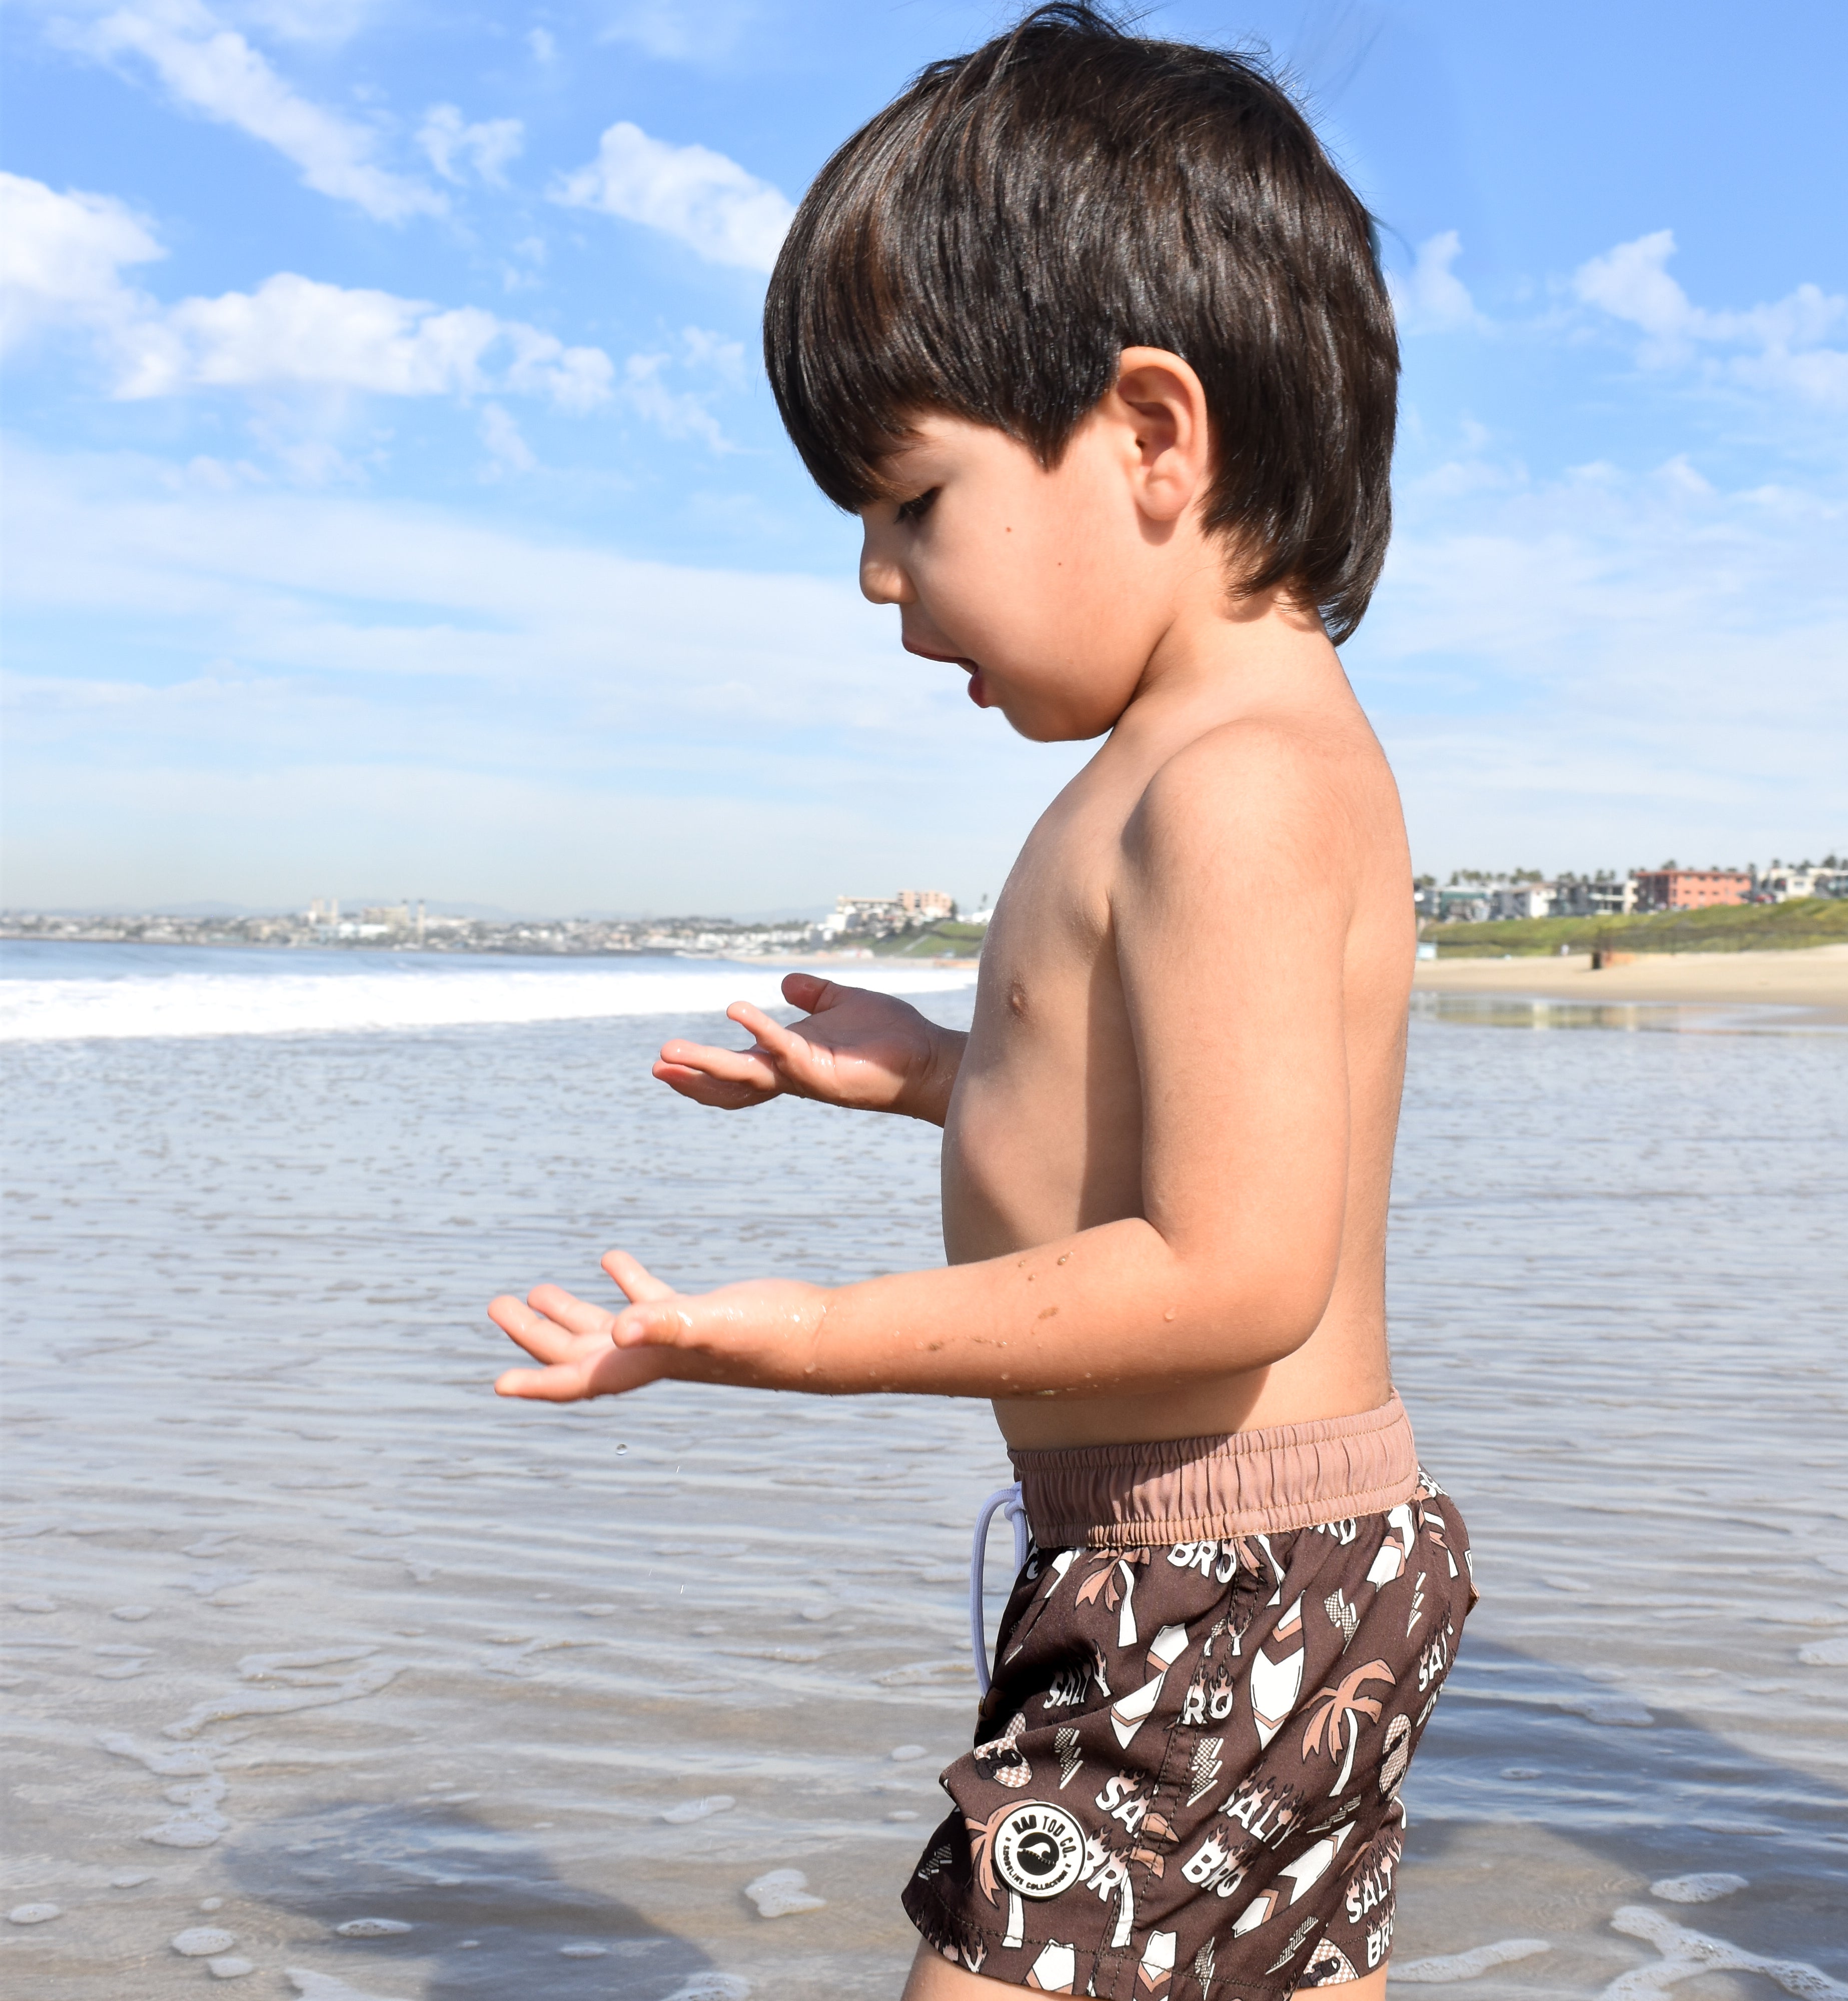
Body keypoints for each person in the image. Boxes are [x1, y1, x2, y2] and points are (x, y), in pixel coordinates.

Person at [487, 7, 1473, 1993]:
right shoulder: (1180, 758)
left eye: (912, 501)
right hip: (1242, 1570)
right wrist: (938, 1073)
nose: (875, 577)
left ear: (1148, 437)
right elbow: (1159, 1110)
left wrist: (803, 1335)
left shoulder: (1239, 781)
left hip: (1213, 1587)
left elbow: (1232, 1266)